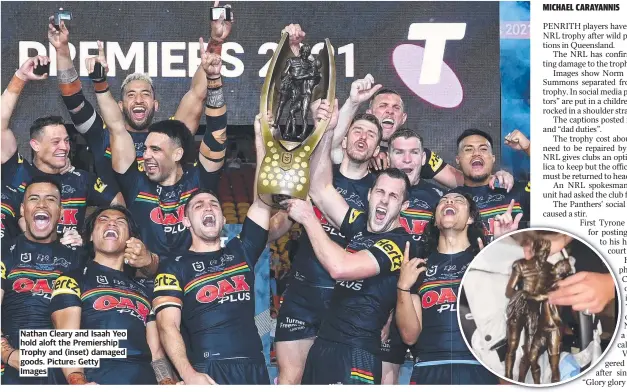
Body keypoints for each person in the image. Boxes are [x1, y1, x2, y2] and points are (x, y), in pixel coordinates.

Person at [49, 3, 233, 186]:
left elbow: (198, 94)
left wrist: (216, 42)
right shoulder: (102, 134)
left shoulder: (171, 133)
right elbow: (72, 98)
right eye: (131, 95)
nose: (138, 100)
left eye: (145, 94)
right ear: (120, 106)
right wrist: (62, 51)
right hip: (115, 213)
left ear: (155, 105)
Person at [152, 113, 272, 385]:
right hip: (208, 370)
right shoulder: (174, 266)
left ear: (223, 217)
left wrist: (262, 140)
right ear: (186, 221)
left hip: (255, 367)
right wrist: (189, 375)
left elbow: (263, 202)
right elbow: (167, 326)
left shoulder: (241, 251)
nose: (208, 207)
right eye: (199, 206)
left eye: (214, 204)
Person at [271, 106, 381, 384]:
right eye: (357, 130)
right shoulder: (316, 178)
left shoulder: (380, 194)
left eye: (371, 135)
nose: (363, 137)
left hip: (347, 301)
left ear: (378, 148)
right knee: (291, 379)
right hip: (302, 297)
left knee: (338, 380)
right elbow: (276, 227)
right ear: (344, 140)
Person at [105, 47, 227, 256]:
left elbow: (217, 135)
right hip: (145, 281)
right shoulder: (135, 183)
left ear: (177, 154)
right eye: (145, 149)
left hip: (194, 282)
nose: (146, 155)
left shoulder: (199, 179)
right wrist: (100, 84)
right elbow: (116, 127)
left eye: (155, 150)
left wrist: (214, 81)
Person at [49, 206, 175, 385]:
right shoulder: (72, 279)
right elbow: (67, 339)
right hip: (98, 380)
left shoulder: (143, 290)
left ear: (131, 240)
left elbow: (156, 352)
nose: (112, 223)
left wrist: (167, 382)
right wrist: (78, 382)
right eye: (103, 219)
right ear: (91, 236)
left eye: (120, 222)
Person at [1, 56, 123, 236]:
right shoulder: (17, 171)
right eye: (55, 142)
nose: (64, 147)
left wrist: (92, 240)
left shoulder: (81, 179)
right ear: (35, 144)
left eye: (66, 141)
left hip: (70, 262)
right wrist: (20, 77)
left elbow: (118, 205)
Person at [330, 77, 513, 191]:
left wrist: (495, 179)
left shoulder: (417, 154)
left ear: (403, 118)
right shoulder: (356, 145)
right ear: (370, 112)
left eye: (396, 108)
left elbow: (461, 181)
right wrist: (353, 102)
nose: (389, 112)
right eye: (383, 106)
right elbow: (329, 147)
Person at [395, 191, 501, 385]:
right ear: (435, 220)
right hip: (429, 367)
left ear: (470, 218)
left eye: (458, 200)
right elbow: (409, 336)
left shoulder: (486, 260)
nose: (449, 201)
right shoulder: (417, 267)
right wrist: (403, 286)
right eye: (443, 201)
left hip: (479, 367)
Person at [1, 177, 83, 384]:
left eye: (50, 199)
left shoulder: (79, 258)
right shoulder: (4, 252)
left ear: (61, 212)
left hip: (65, 366)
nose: (42, 204)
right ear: (22, 209)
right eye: (34, 198)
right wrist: (8, 354)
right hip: (14, 362)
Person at [452, 128, 530, 243]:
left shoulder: (517, 190)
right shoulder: (450, 200)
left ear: (493, 158)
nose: (476, 153)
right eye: (468, 149)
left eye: (483, 149)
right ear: (458, 160)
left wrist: (528, 147)